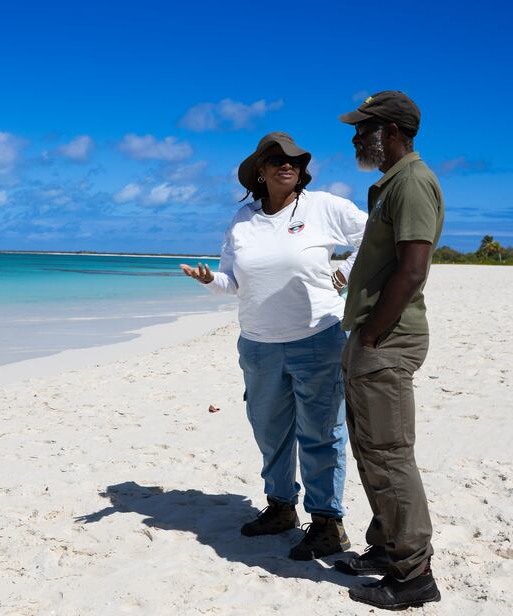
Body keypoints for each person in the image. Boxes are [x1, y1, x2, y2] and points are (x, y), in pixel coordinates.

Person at [181, 132, 367, 560]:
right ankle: (281, 508)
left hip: (317, 337)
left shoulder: (324, 206)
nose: (289, 165)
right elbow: (233, 282)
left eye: (296, 160)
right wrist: (211, 281)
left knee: (321, 434)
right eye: (277, 159)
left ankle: (326, 524)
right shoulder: (242, 220)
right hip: (258, 344)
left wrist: (347, 272)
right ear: (260, 172)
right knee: (270, 432)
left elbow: (375, 233)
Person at [335, 91, 444, 610]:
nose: (356, 138)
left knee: (389, 455)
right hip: (370, 335)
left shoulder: (413, 183)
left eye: (364, 129)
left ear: (392, 131)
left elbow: (413, 269)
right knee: (370, 450)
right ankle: (384, 547)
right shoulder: (391, 184)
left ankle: (413, 572)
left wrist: (374, 333)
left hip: (388, 339)